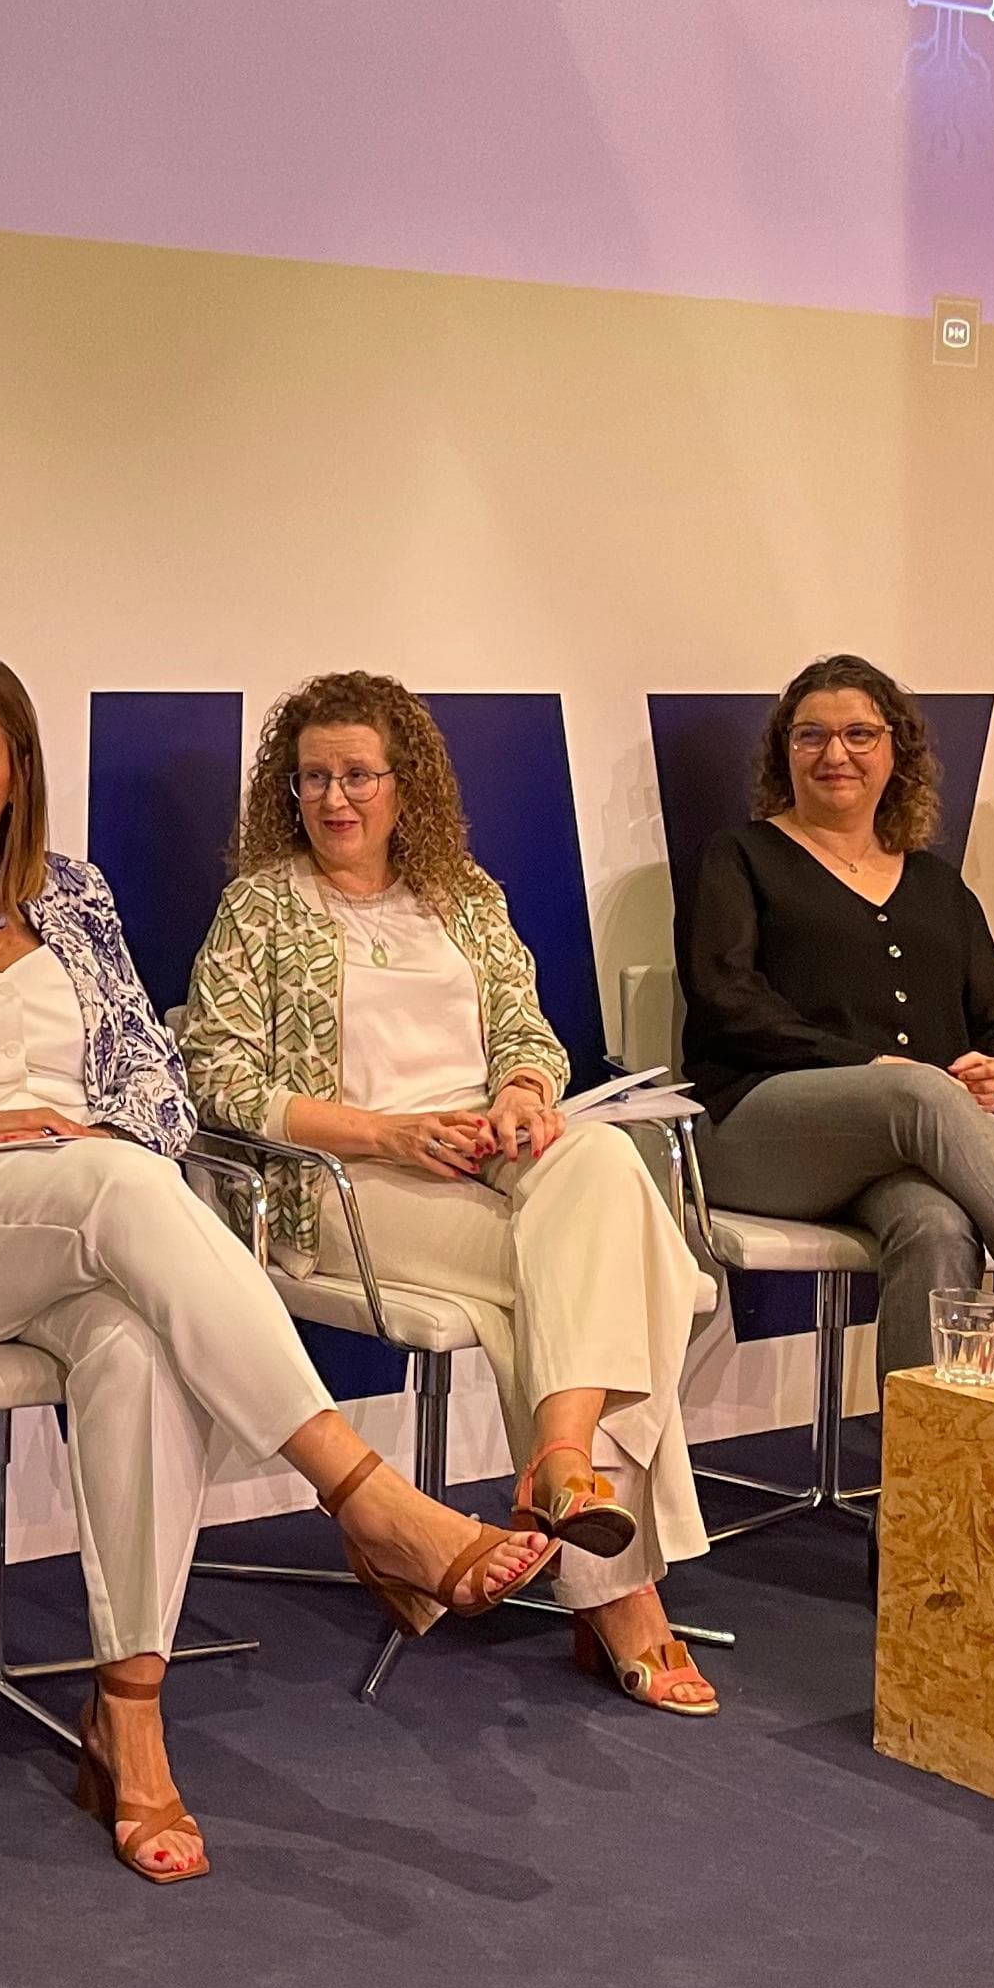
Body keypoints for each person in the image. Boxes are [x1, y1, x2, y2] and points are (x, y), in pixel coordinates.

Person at [0, 655, 556, 1885]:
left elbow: (153, 1082)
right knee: (124, 1184)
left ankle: (129, 1710)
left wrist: (89, 1139)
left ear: (18, 776)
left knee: (131, 1334)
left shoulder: (73, 896)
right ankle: (365, 1499)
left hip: (78, 1220)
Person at [184, 672, 720, 1716]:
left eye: (357, 776)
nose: (334, 801)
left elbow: (529, 1031)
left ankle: (564, 1457)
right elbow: (222, 1079)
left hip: (488, 1160)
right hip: (348, 1182)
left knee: (605, 1165)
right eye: (312, 780)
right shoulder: (262, 908)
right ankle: (620, 1596)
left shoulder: (465, 896)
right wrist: (388, 1130)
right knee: (580, 1275)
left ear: (405, 784)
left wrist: (521, 1096)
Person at [681, 655, 994, 1380]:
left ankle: (921, 1477)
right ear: (783, 754)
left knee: (939, 1226)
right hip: (755, 1134)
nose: (835, 754)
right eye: (810, 737)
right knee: (917, 1094)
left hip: (902, 1149)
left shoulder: (936, 885)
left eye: (859, 734)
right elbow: (725, 1001)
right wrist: (871, 1069)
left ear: (897, 751)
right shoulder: (739, 856)